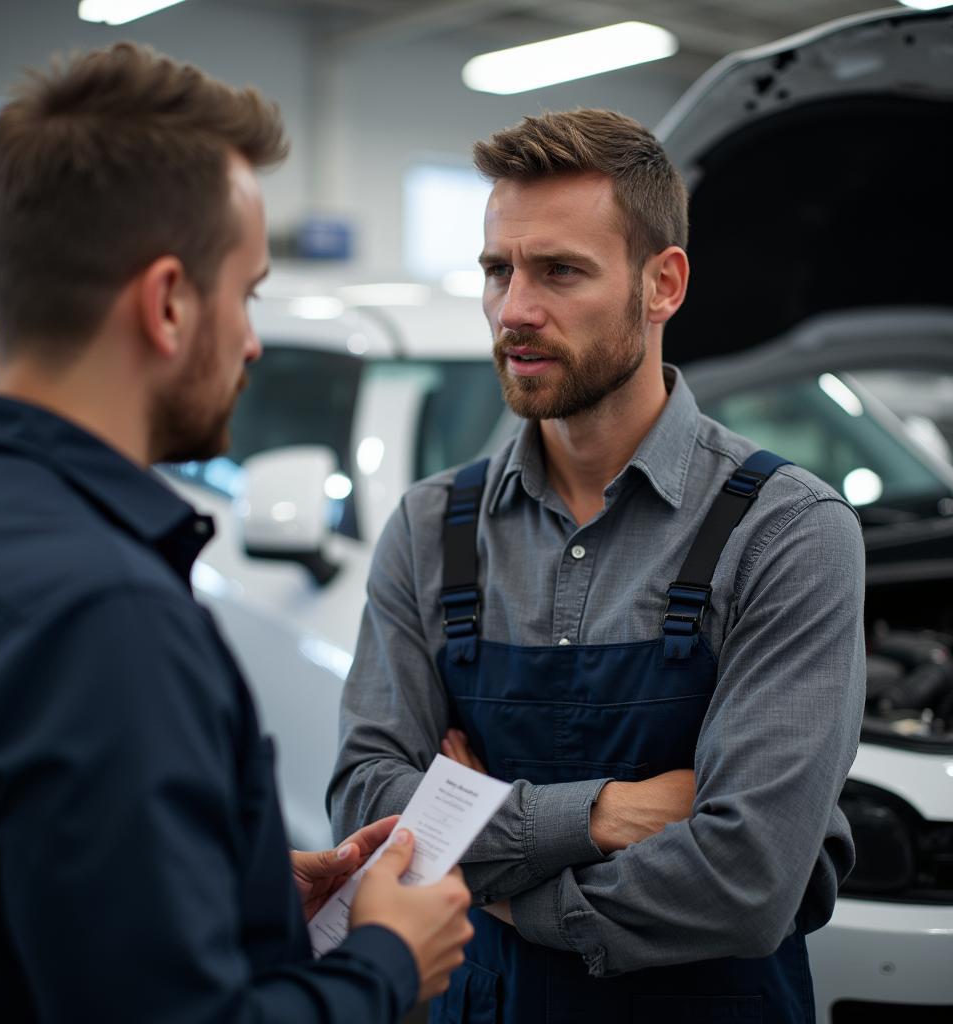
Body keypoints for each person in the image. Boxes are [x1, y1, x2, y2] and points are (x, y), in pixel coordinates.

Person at [0, 42, 473, 1024]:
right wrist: (388, 960)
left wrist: (242, 893)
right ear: (171, 302)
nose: (254, 340)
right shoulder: (101, 616)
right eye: (248, 292)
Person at [329, 109, 865, 1023]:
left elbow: (748, 876)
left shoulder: (787, 532)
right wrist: (603, 814)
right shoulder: (429, 530)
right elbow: (368, 808)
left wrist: (489, 870)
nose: (516, 310)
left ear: (663, 285)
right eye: (499, 270)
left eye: (561, 271)